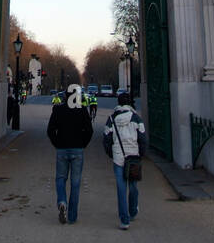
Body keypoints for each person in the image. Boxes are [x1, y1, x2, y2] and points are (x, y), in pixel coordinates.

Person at [47, 88, 93, 224]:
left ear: (65, 97)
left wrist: (57, 143)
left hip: (62, 149)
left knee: (60, 178)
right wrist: (83, 144)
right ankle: (72, 216)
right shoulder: (82, 110)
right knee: (76, 182)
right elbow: (89, 130)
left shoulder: (58, 110)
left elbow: (50, 130)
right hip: (77, 149)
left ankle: (62, 201)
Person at [103, 92, 146, 230]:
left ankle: (124, 220)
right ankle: (133, 210)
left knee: (121, 188)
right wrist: (141, 154)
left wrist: (112, 153)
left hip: (118, 157)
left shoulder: (111, 119)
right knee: (133, 186)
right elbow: (143, 139)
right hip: (133, 155)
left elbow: (107, 139)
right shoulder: (136, 118)